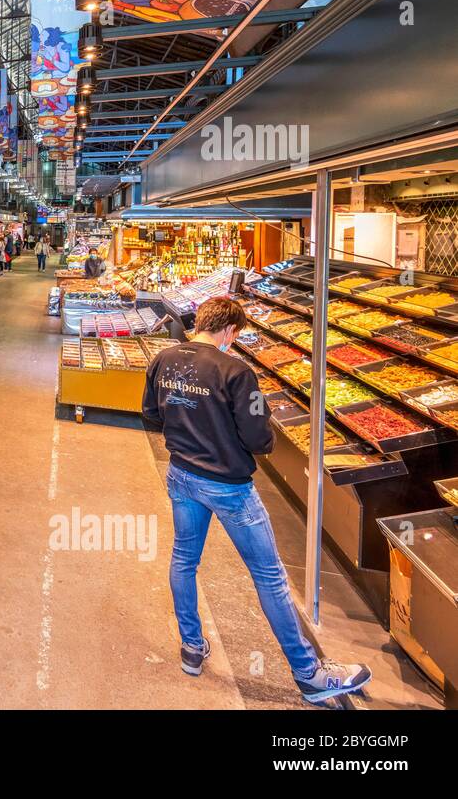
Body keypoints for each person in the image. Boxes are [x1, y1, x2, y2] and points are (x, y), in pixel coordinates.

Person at [142, 296, 371, 704]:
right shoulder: (236, 372)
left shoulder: (164, 359)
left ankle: (192, 648)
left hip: (181, 476)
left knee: (183, 560)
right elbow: (259, 439)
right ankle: (309, 674)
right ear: (229, 331)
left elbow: (152, 416)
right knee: (269, 577)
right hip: (229, 487)